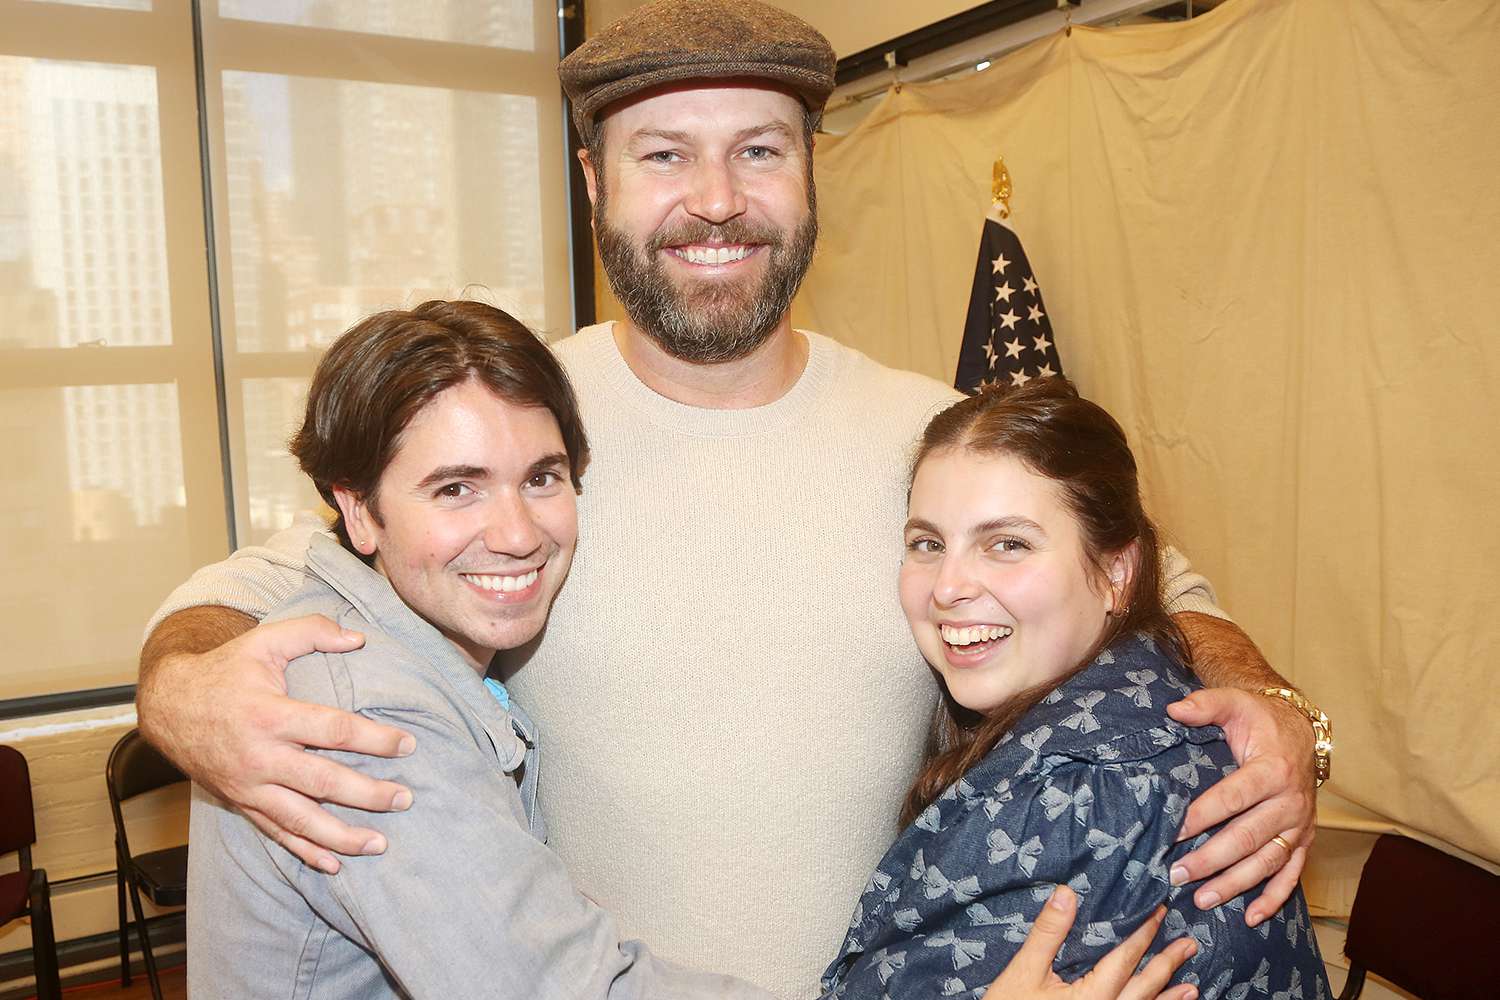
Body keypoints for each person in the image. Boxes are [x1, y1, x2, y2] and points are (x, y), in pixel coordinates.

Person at [137, 2, 1327, 995]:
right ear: (597, 178)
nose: (716, 199)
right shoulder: (519, 430)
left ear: (811, 171)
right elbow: (269, 589)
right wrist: (180, 684)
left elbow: (1147, 584)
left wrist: (1260, 695)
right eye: (664, 155)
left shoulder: (932, 435)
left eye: (758, 149)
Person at [187, 299, 774, 996]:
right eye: (457, 489)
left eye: (541, 478)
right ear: (358, 511)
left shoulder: (405, 645)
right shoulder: (366, 718)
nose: (518, 534)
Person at [822, 380, 1331, 999]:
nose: (947, 586)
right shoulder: (1122, 697)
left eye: (1007, 544)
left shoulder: (1094, 787)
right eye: (928, 544)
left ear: (1117, 571)